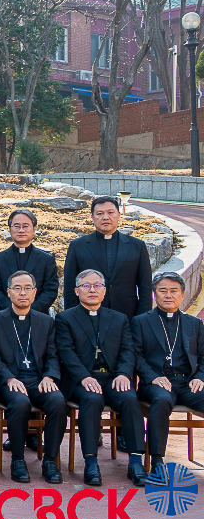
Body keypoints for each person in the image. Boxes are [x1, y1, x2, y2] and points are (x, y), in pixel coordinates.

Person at [55, 269, 146, 487]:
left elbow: (127, 350)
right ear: (77, 291)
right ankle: (91, 461)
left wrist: (124, 373)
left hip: (113, 378)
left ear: (104, 290)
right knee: (92, 399)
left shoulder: (119, 319)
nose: (92, 290)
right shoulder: (65, 318)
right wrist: (84, 377)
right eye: (86, 286)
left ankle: (135, 461)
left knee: (129, 399)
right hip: (81, 380)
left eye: (97, 285)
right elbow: (66, 352)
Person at [0, 270, 66, 484]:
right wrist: (10, 379)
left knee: (58, 402)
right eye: (17, 288)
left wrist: (50, 376)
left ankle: (50, 461)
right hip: (8, 382)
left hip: (39, 380)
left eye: (27, 288)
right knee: (20, 403)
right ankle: (18, 461)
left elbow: (52, 355)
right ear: (8, 292)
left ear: (35, 292)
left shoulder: (46, 322)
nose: (23, 293)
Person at [131, 272, 204, 472]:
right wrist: (153, 377)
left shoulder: (194, 323)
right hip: (155, 384)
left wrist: (200, 376)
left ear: (182, 294)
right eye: (163, 291)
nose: (168, 295)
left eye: (174, 291)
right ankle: (157, 460)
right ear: (155, 294)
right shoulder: (141, 321)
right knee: (162, 400)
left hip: (187, 383)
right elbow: (135, 355)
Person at [62, 196, 153, 318]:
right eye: (100, 213)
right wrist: (72, 320)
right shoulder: (78, 246)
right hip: (87, 317)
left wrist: (142, 321)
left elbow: (145, 288)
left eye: (111, 212)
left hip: (128, 316)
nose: (106, 217)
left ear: (119, 215)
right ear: (92, 217)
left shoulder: (137, 246)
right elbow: (69, 288)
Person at [0, 209, 59, 314]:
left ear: (34, 229)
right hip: (6, 316)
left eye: (25, 226)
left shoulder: (46, 259)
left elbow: (50, 290)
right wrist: (13, 310)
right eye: (16, 226)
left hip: (39, 316)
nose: (21, 230)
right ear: (10, 230)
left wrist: (30, 311)